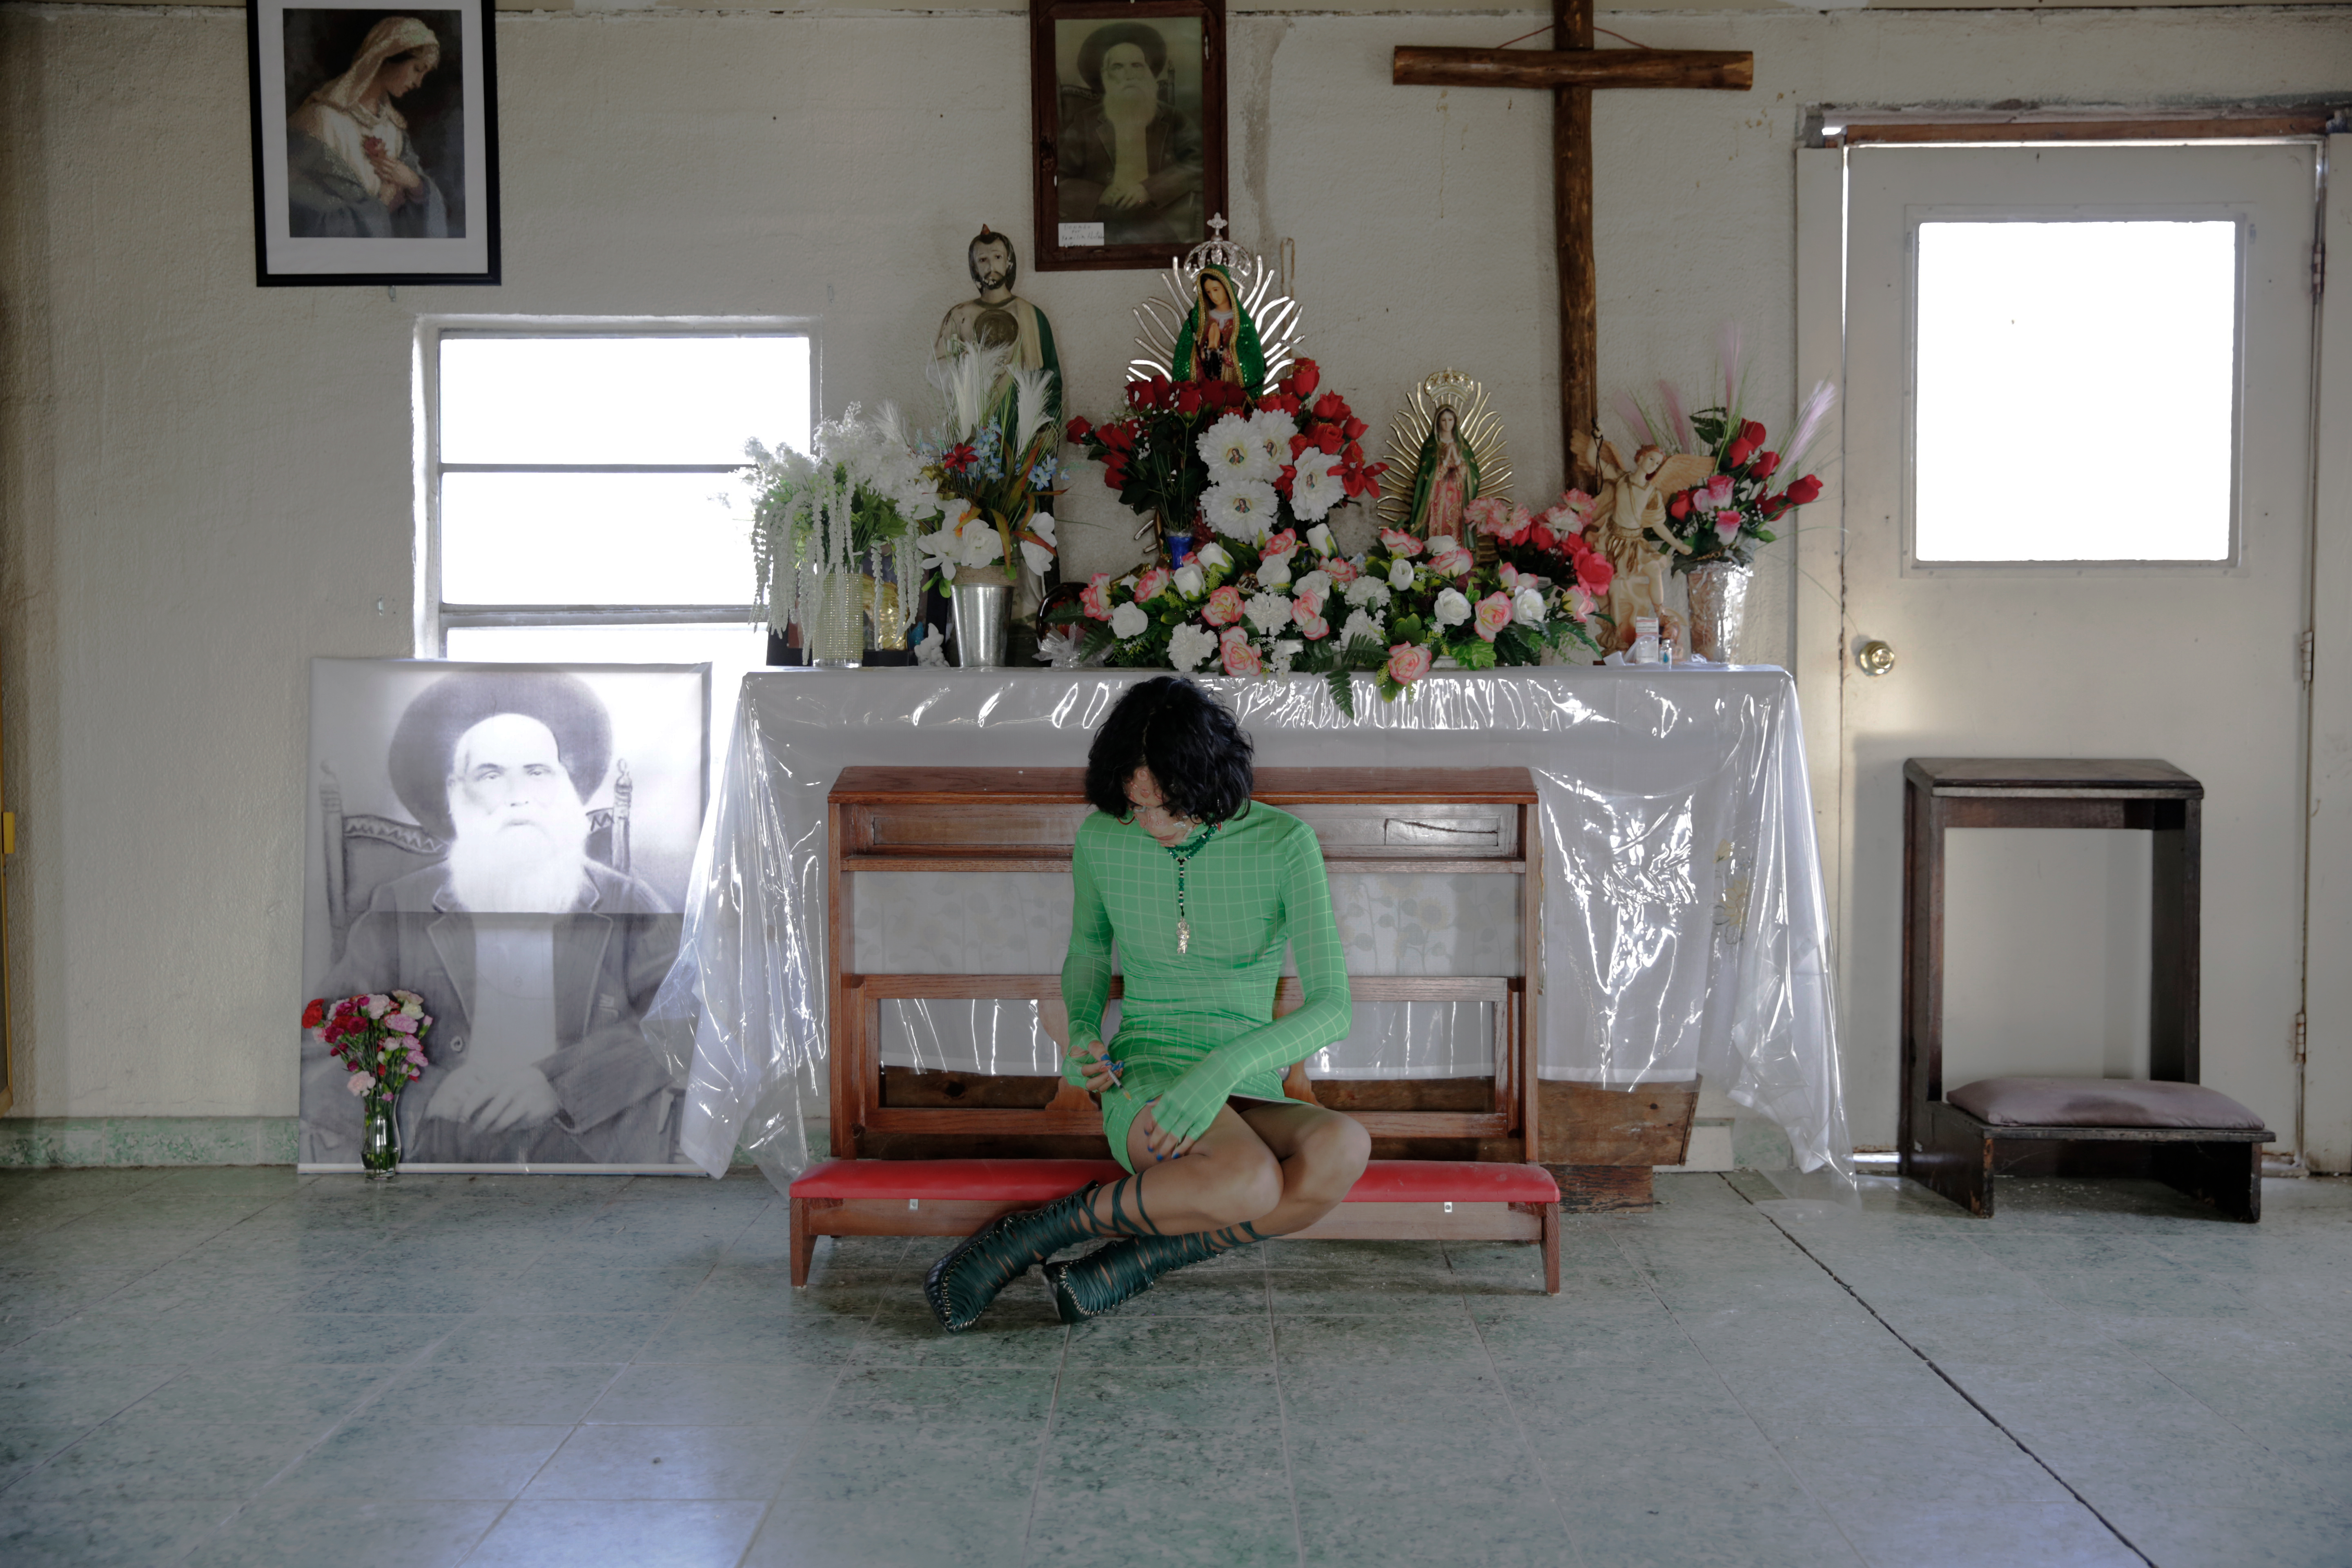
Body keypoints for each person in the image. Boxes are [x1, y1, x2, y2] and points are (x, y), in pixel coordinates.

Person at [924, 677, 1369, 1331]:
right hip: (1150, 1071)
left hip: (1243, 1077)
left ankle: (1122, 1261)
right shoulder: (1104, 840)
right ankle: (1026, 1241)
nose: (1150, 823)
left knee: (1344, 1147)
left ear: (1212, 783)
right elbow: (1086, 954)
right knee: (1251, 1183)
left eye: (1169, 806)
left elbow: (1335, 1008)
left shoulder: (1284, 844)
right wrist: (1081, 1032)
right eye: (1136, 805)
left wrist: (1219, 1073)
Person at [308, 672, 680, 1165]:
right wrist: (428, 1093)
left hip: (594, 1161)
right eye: (490, 775)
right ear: (456, 792)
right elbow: (321, 1045)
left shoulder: (630, 903)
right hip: (444, 1158)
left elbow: (682, 1026)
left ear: (567, 785)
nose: (517, 795)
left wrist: (561, 1086)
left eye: (537, 772)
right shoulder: (398, 908)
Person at [286, 16, 452, 239]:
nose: (418, 83)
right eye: (417, 69)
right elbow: (302, 219)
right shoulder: (318, 122)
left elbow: (417, 229)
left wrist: (415, 184)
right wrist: (381, 206)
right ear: (386, 57)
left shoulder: (394, 131)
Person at [1054, 21, 1203, 247]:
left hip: (1159, 220)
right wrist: (1099, 195)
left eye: (1137, 65)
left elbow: (1200, 163)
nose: (1129, 75)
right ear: (1105, 76)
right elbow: (1057, 179)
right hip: (1100, 223)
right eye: (1118, 67)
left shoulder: (1173, 119)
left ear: (1149, 73)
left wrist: (1150, 190)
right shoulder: (1085, 122)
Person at [933, 227, 1062, 416]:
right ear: (974, 266)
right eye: (983, 260)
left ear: (1009, 262)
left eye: (998, 257)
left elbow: (1051, 377)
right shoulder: (960, 316)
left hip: (1020, 424)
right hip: (974, 425)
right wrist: (967, 367)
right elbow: (937, 367)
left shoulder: (1031, 315)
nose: (991, 266)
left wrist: (1048, 427)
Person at [1408, 405, 1479, 540]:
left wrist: (1457, 460)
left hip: (1458, 497)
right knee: (1437, 528)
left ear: (1455, 422)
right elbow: (1427, 476)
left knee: (1456, 527)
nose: (1447, 424)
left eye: (1450, 420)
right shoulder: (1431, 446)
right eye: (1444, 420)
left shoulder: (1463, 446)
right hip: (1437, 496)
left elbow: (1472, 475)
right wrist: (1446, 461)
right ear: (1438, 422)